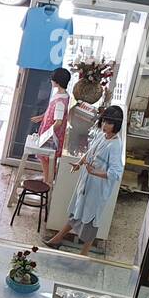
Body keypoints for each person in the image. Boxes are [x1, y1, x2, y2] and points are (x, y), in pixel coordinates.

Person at [44, 105, 125, 256]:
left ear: (117, 124)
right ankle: (57, 239)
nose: (105, 125)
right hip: (86, 182)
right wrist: (79, 163)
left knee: (90, 219)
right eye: (104, 121)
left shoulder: (115, 145)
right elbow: (90, 152)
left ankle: (84, 254)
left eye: (109, 123)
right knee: (77, 211)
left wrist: (94, 172)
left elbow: (115, 173)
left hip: (97, 189)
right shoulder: (102, 135)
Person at [29, 67, 72, 186]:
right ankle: (46, 178)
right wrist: (42, 117)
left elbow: (58, 121)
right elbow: (52, 113)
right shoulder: (62, 95)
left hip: (52, 135)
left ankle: (47, 181)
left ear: (57, 81)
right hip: (50, 132)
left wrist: (48, 134)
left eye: (53, 79)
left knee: (46, 158)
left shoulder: (60, 101)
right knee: (46, 158)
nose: (51, 81)